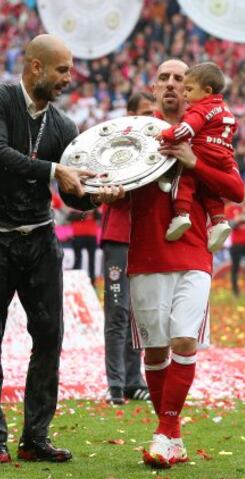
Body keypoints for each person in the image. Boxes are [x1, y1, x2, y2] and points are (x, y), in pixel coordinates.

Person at [0, 34, 123, 465]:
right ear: (35, 67)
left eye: (69, 71)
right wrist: (57, 169)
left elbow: (72, 196)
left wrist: (96, 197)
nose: (68, 79)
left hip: (39, 239)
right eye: (62, 70)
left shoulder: (63, 126)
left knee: (50, 335)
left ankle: (34, 437)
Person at [128, 59, 245, 468]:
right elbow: (111, 184)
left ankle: (166, 433)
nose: (174, 85)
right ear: (155, 88)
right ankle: (170, 436)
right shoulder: (140, 134)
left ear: (195, 88)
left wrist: (194, 162)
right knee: (155, 352)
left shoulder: (209, 136)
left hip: (195, 253)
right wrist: (101, 195)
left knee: (183, 341)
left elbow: (237, 189)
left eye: (181, 79)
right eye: (165, 78)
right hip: (144, 255)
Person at [101, 92, 155, 405]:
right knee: (118, 311)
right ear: (130, 113)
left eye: (155, 112)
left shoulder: (156, 145)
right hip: (119, 237)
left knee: (139, 315)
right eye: (146, 111)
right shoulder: (113, 147)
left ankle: (134, 381)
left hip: (144, 238)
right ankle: (116, 385)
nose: (152, 116)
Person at [158, 62, 237, 252]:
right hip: (224, 154)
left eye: (189, 89)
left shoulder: (201, 108)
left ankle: (181, 214)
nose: (185, 94)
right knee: (209, 188)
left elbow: (187, 129)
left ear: (207, 91)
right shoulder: (224, 108)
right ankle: (219, 221)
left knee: (185, 178)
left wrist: (166, 134)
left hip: (204, 150)